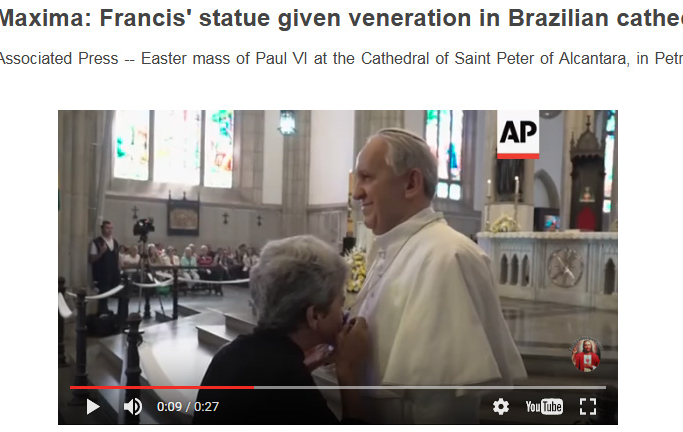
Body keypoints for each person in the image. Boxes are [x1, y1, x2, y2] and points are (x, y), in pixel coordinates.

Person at [348, 128, 527, 424]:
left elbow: (441, 404)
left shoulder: (447, 257)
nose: (356, 193)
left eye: (367, 178)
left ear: (411, 183)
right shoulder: (391, 249)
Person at [194, 235, 369, 424]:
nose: (343, 313)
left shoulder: (228, 354)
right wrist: (348, 371)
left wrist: (301, 367)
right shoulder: (287, 379)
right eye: (340, 305)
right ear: (314, 316)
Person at [89, 220, 121, 316]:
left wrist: (119, 267)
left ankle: (118, 314)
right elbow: (91, 259)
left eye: (111, 228)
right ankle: (102, 313)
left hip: (114, 272)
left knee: (119, 292)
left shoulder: (115, 242)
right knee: (103, 294)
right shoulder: (96, 242)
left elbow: (117, 257)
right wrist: (101, 252)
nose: (109, 230)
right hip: (102, 273)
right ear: (102, 228)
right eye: (107, 228)